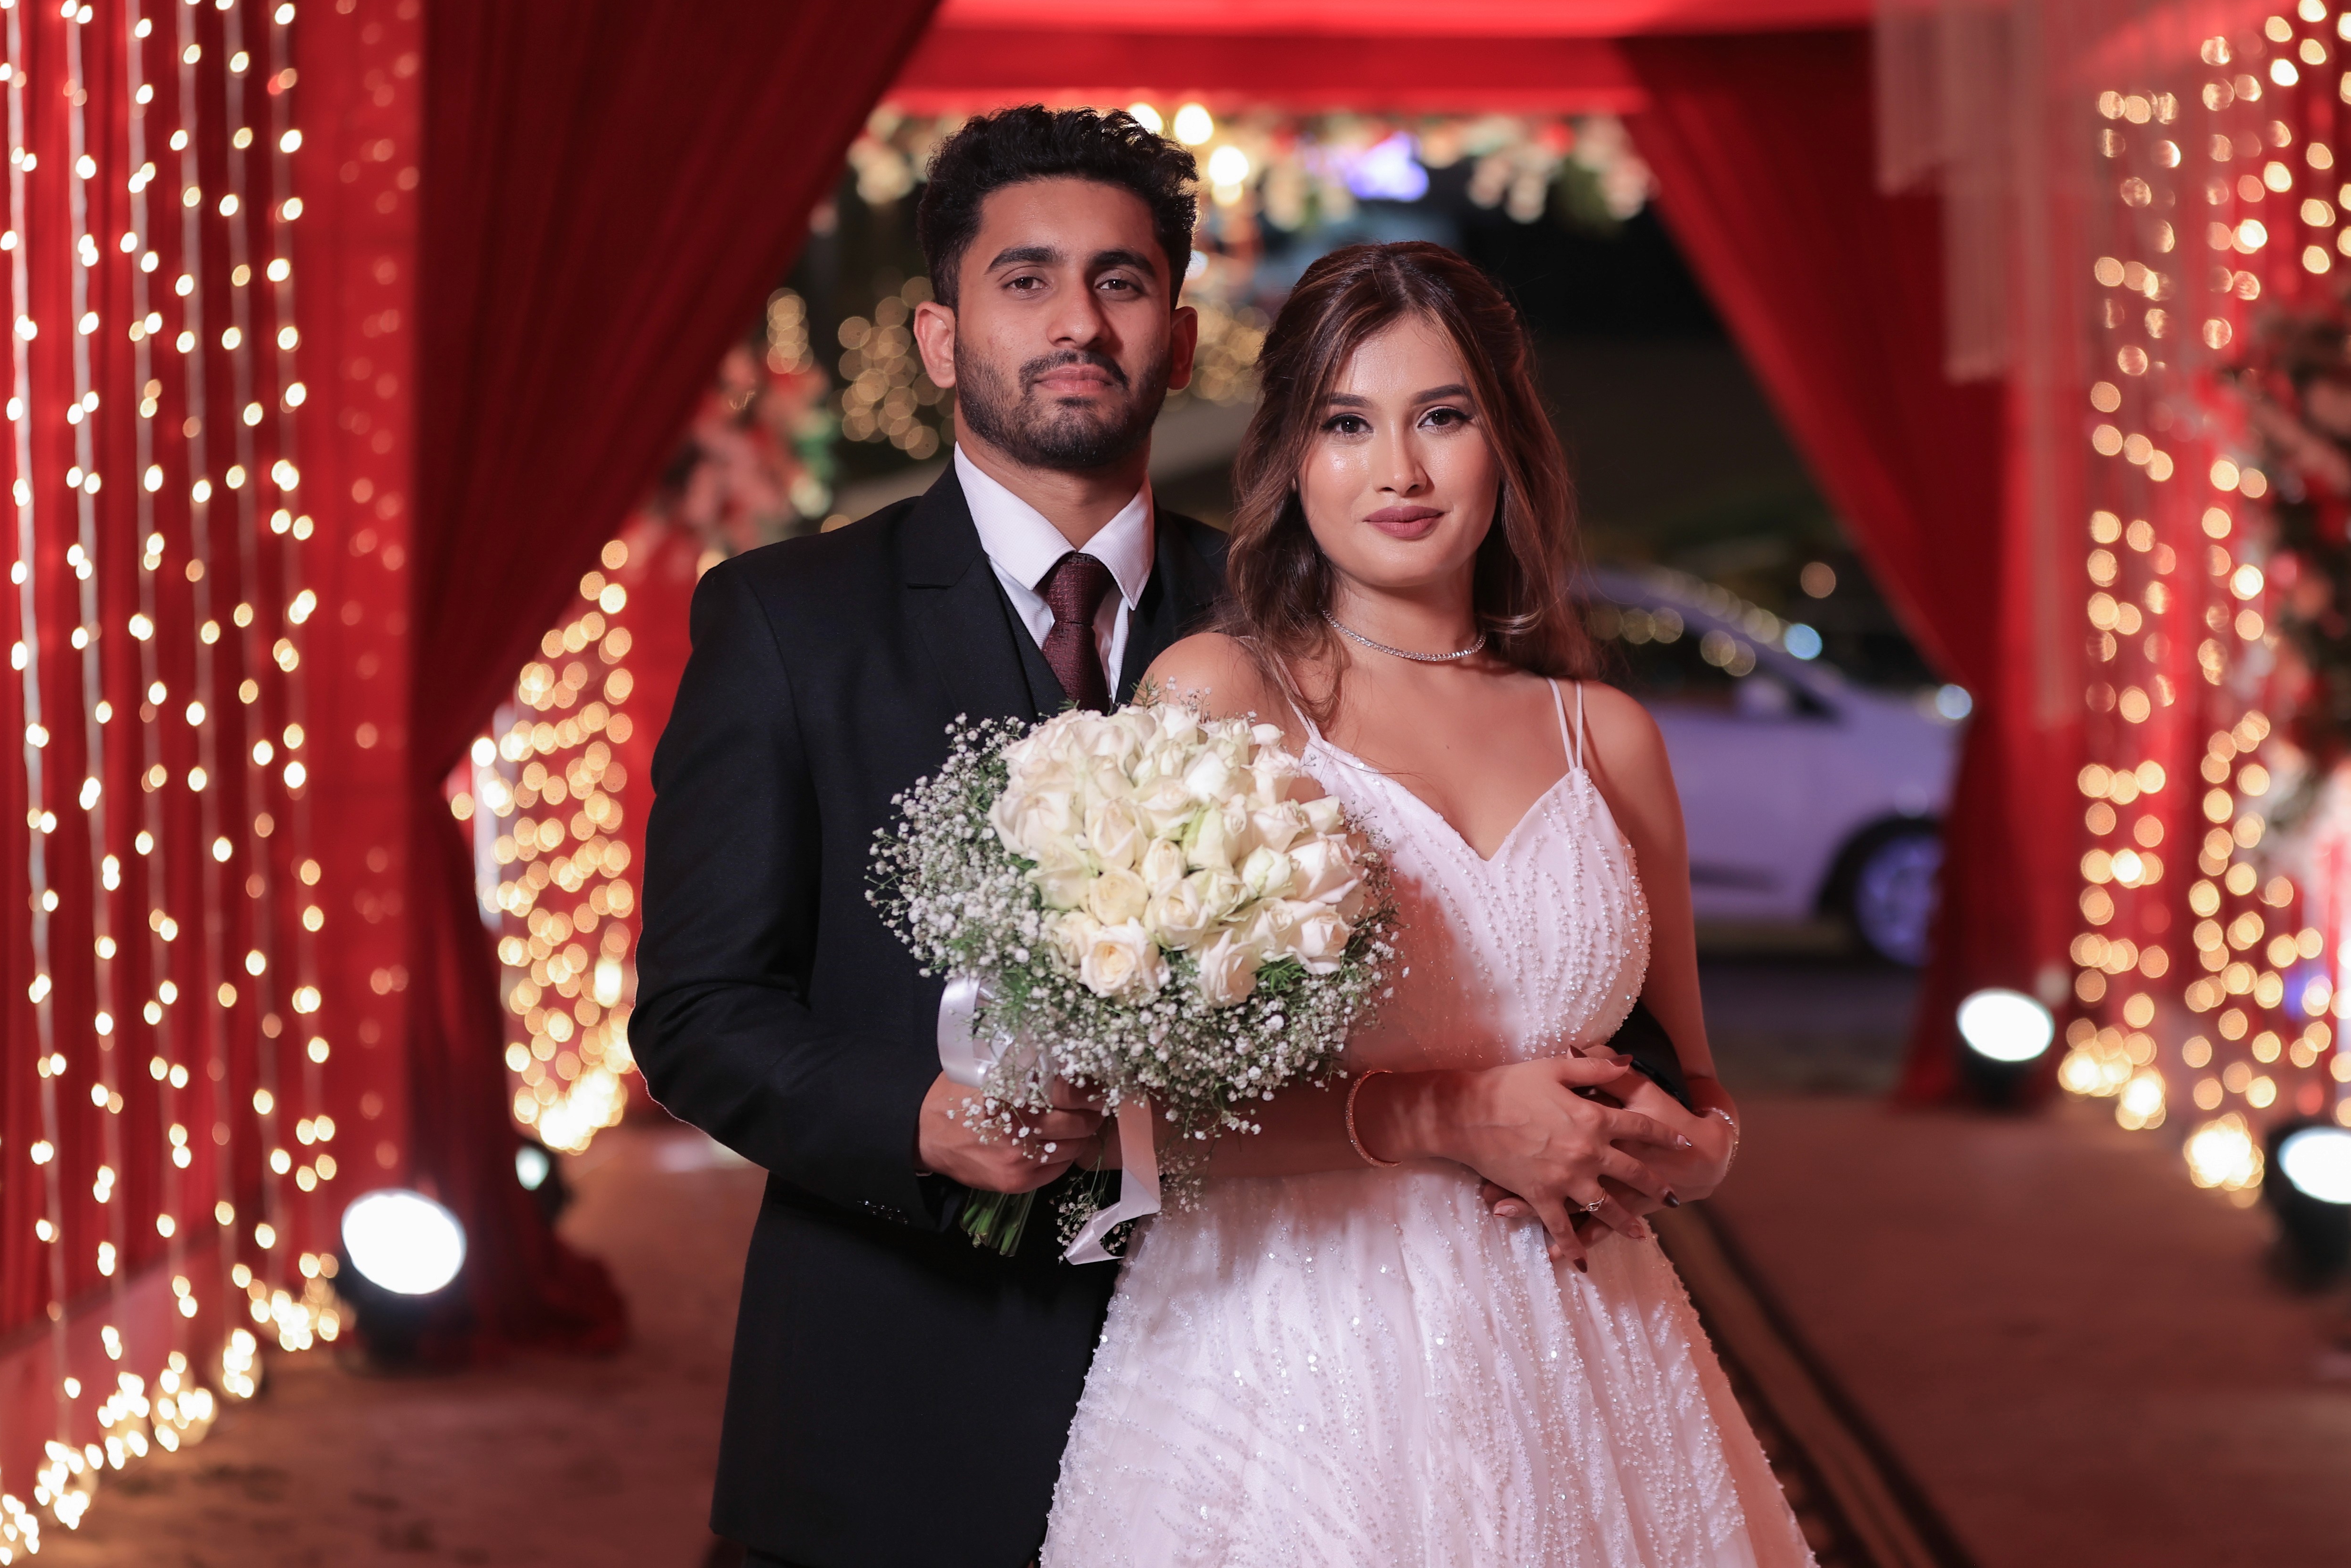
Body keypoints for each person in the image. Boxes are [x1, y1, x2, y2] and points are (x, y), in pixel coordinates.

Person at [635, 109, 1702, 1568]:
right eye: (1026, 281)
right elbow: (699, 1011)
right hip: (904, 1390)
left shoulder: (1301, 623)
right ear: (943, 337)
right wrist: (926, 1121)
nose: (1079, 320)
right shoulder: (788, 623)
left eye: (1121, 283)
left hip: (1278, 1375)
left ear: (1184, 339)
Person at [1042, 241, 1812, 1567]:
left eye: (1441, 418)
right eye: (1348, 424)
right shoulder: (1220, 700)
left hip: (1586, 1344)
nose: (1398, 470)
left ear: (1504, 443)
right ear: (1292, 458)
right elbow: (1123, 1118)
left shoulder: (1604, 736)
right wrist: (1447, 1113)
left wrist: (1697, 1150)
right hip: (1288, 1364)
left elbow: (1698, 1084)